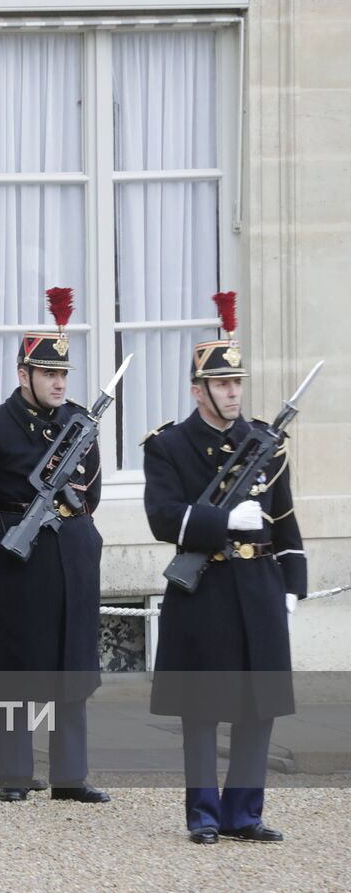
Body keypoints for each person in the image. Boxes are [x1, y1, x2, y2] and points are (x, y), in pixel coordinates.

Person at [144, 291, 304, 844]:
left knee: (257, 710)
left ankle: (245, 813)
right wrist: (219, 521)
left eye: (238, 383)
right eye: (222, 384)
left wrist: (292, 583)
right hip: (206, 587)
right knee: (203, 711)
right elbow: (162, 517)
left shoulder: (264, 440)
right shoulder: (170, 445)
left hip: (259, 584)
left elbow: (284, 518)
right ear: (199, 389)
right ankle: (204, 815)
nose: (233, 393)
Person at [0, 286, 109, 804]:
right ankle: (14, 773)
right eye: (49, 374)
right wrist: (8, 532)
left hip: (71, 556)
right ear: (24, 376)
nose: (59, 383)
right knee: (15, 667)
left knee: (72, 663)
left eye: (64, 374)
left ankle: (70, 775)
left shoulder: (80, 424)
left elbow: (94, 493)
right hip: (16, 557)